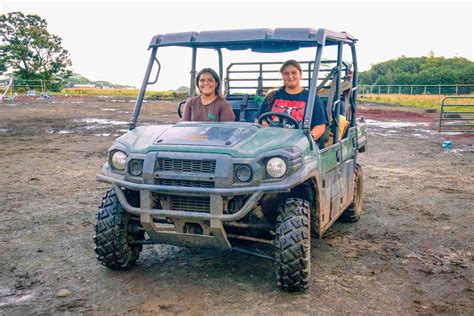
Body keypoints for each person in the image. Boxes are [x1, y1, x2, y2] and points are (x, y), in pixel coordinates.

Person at [256, 60, 328, 146]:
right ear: (282, 76)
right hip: (271, 142)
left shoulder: (312, 98)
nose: (290, 76)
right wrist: (264, 128)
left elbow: (320, 126)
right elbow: (258, 120)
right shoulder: (272, 96)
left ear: (300, 75)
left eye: (294, 73)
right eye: (286, 73)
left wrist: (306, 141)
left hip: (299, 147)